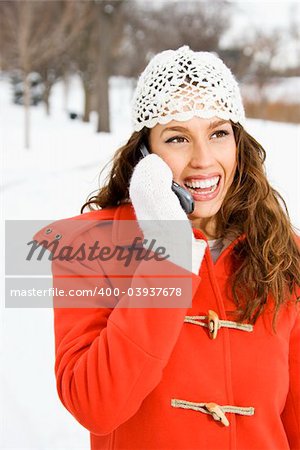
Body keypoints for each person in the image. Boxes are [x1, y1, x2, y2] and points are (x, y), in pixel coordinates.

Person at [33, 45, 300, 450]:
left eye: (218, 133)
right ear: (146, 153)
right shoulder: (84, 246)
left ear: (238, 143)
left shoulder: (283, 251)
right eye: (177, 138)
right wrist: (168, 255)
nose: (203, 159)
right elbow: (94, 405)